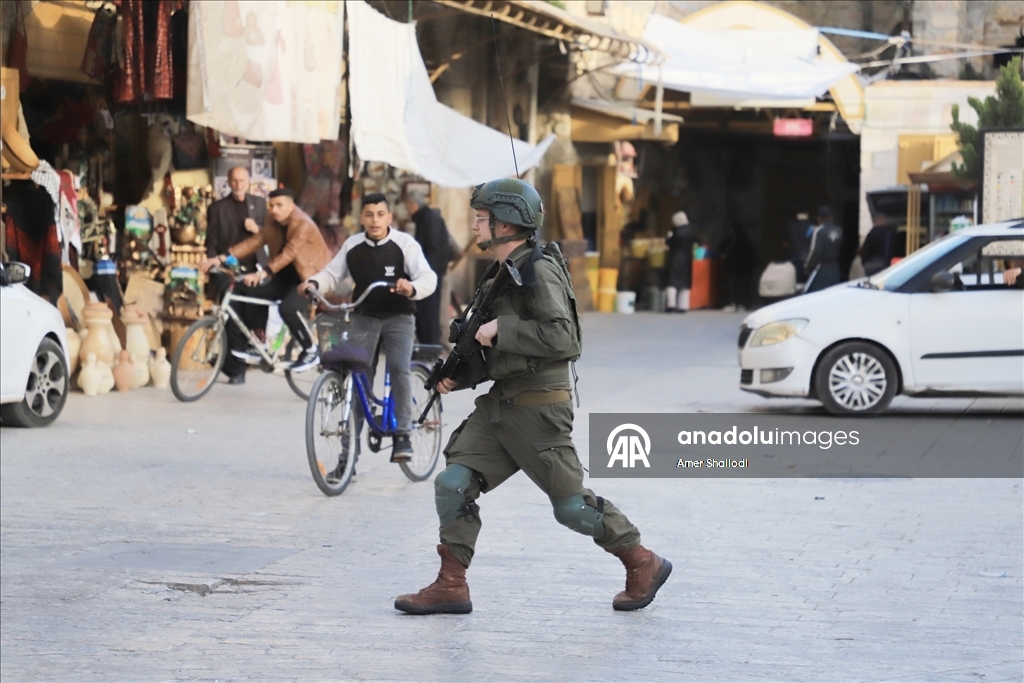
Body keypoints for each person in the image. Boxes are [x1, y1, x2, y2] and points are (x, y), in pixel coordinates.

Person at [394, 178, 670, 616]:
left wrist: (502, 330)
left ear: (506, 224)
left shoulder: (538, 271)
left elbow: (565, 338)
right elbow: (490, 351)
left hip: (539, 410)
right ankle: (451, 584)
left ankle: (641, 560)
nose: (474, 225)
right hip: (501, 407)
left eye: (482, 218)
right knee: (452, 485)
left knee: (571, 508)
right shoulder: (501, 273)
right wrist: (456, 377)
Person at [302, 193, 437, 461]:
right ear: (362, 218)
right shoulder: (352, 245)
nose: (375, 220)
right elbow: (332, 273)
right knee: (358, 377)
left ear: (389, 217)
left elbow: (428, 277)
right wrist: (314, 283)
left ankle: (402, 434)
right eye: (369, 215)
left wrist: (411, 287)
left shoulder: (404, 244)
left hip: (399, 317)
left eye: (380, 214)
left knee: (399, 367)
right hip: (364, 319)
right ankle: (348, 453)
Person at [200, 188, 330, 381]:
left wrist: (263, 273)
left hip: (311, 279)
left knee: (288, 308)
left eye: (279, 205)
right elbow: (254, 242)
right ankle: (258, 341)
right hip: (285, 278)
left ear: (291, 206)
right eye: (271, 206)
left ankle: (310, 350)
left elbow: (289, 253)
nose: (274, 210)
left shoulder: (302, 224)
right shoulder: (272, 221)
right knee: (249, 291)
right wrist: (221, 258)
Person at [204, 166, 268, 382]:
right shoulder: (217, 208)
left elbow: (271, 235)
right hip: (227, 269)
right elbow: (211, 243)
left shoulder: (259, 205)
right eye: (235, 180)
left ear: (249, 181)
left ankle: (253, 353)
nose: (239, 184)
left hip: (254, 270)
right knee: (230, 316)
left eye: (243, 180)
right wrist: (215, 266)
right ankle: (236, 369)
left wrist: (257, 229)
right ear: (229, 183)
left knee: (254, 313)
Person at [403, 189, 452, 346]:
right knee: (424, 312)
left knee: (429, 313)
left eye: (407, 206)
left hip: (432, 274)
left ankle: (429, 349)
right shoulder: (425, 218)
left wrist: (426, 274)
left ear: (413, 204)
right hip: (429, 273)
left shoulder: (430, 218)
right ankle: (427, 346)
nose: (407, 210)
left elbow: (433, 249)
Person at [803, 205, 844, 293]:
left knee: (814, 295)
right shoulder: (839, 230)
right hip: (836, 269)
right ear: (832, 217)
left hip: (822, 269)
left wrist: (807, 266)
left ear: (818, 218)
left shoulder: (819, 230)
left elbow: (815, 251)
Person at [720, 221, 757, 312]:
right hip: (743, 266)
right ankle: (742, 304)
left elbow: (723, 247)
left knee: (732, 284)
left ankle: (733, 304)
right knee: (742, 285)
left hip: (734, 266)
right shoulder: (744, 238)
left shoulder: (734, 238)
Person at [664, 210, 696, 313]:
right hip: (687, 259)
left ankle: (671, 305)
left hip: (675, 259)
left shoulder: (676, 231)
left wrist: (668, 236)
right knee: (684, 284)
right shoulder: (691, 231)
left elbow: (670, 243)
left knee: (672, 282)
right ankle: (683, 306)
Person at [860, 212, 901, 277]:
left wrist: (864, 261)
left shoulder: (872, 234)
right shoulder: (891, 234)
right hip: (889, 264)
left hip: (872, 265)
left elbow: (865, 250)